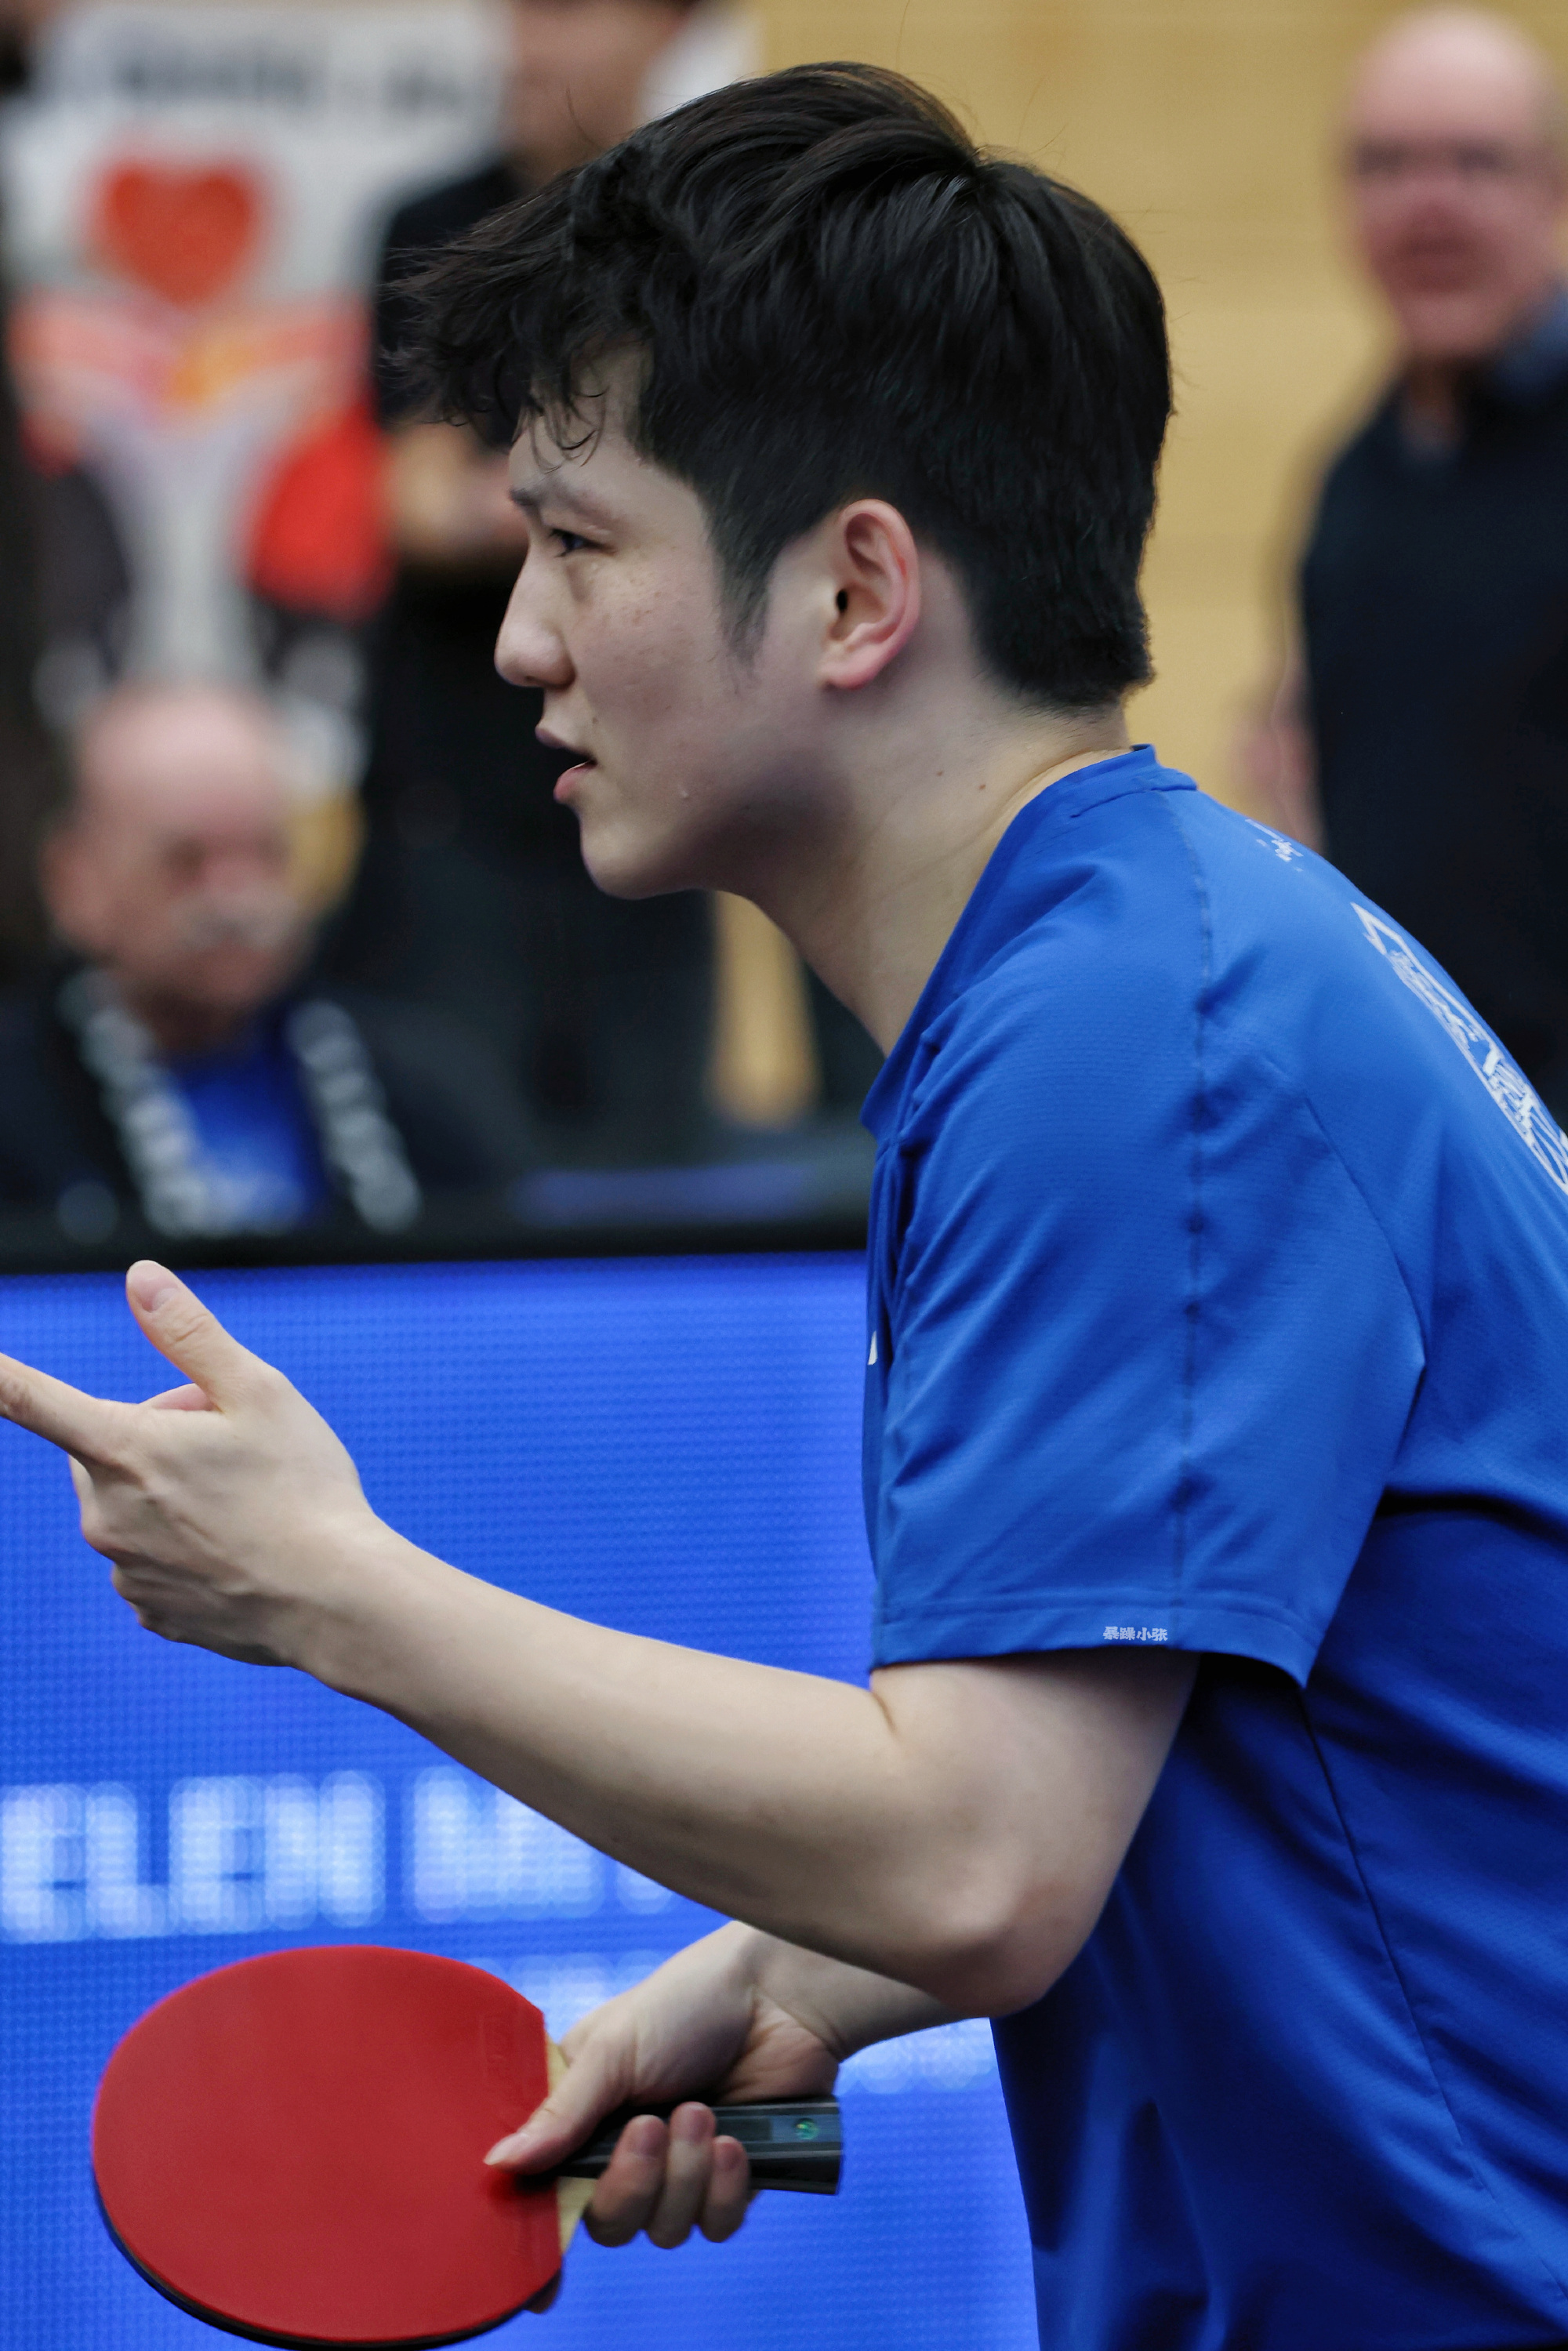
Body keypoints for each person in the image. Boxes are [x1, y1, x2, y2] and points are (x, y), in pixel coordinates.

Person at [4, 63, 1568, 2350]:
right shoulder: (1141, 957)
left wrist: (326, 1586)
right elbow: (1160, 1739)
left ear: (851, 590)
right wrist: (795, 1977)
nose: (520, 637)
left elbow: (976, 1851)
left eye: (580, 543)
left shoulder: (1134, 1042)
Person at [329, 0, 720, 1161]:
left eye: (566, 12)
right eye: (518, 13)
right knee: (458, 1167)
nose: (527, 47)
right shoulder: (435, 226)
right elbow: (420, 506)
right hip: (456, 799)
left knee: (650, 1170)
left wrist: (530, 501)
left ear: (669, 27)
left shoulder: (716, 238)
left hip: (660, 785)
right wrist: (639, 506)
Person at [1278, 7, 1568, 1119]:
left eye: (1475, 162)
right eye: (1386, 165)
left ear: (1554, 189)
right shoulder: (1355, 479)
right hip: (1426, 1125)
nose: (1427, 204)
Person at [0, 680, 535, 1239]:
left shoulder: (422, 1091)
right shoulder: (19, 1108)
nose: (235, 897)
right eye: (187, 861)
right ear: (75, 880)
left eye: (266, 854)